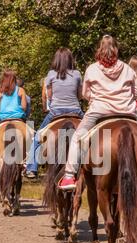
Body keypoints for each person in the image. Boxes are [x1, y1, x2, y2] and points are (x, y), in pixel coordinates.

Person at [58, 35, 137, 190]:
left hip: (99, 112)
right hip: (128, 111)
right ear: (116, 49)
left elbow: (85, 94)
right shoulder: (128, 69)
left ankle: (69, 176)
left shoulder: (91, 69)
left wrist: (97, 97)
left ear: (100, 49)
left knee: (77, 138)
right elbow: (135, 93)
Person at [24, 48, 84, 179]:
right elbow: (80, 96)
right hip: (75, 111)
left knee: (37, 138)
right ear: (70, 60)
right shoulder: (78, 74)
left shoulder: (50, 74)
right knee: (96, 135)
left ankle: (31, 168)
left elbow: (49, 96)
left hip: (56, 112)